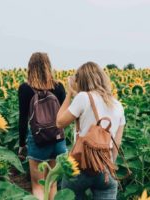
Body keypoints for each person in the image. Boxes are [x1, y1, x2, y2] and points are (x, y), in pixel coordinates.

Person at [56, 61, 126, 200]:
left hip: (80, 166)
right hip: (105, 168)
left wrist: (69, 93)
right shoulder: (118, 105)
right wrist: (107, 166)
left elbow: (59, 122)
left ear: (81, 80)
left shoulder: (83, 97)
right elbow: (116, 142)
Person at [18, 52, 67, 200]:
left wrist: (22, 143)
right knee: (52, 183)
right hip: (58, 138)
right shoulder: (58, 87)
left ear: (30, 67)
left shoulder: (25, 88)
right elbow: (64, 114)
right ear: (48, 66)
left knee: (38, 184)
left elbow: (23, 118)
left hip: (38, 139)